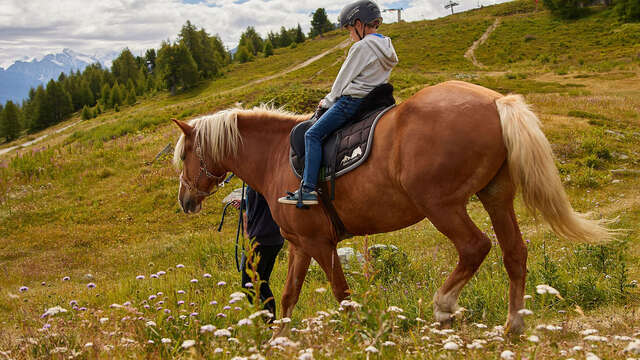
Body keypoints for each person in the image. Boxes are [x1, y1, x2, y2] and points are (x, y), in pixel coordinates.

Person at [279, 0, 398, 206]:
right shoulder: (386, 45)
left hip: (350, 102)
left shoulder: (362, 47)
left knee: (312, 134)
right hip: (372, 101)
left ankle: (308, 190)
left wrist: (327, 101)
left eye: (350, 28)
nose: (350, 34)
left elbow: (343, 79)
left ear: (359, 24)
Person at [232, 186, 284, 320]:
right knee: (262, 283)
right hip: (274, 237)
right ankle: (273, 322)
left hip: (261, 239)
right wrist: (245, 203)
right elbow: (263, 202)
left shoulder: (258, 179)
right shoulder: (268, 178)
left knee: (249, 286)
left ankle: (271, 325)